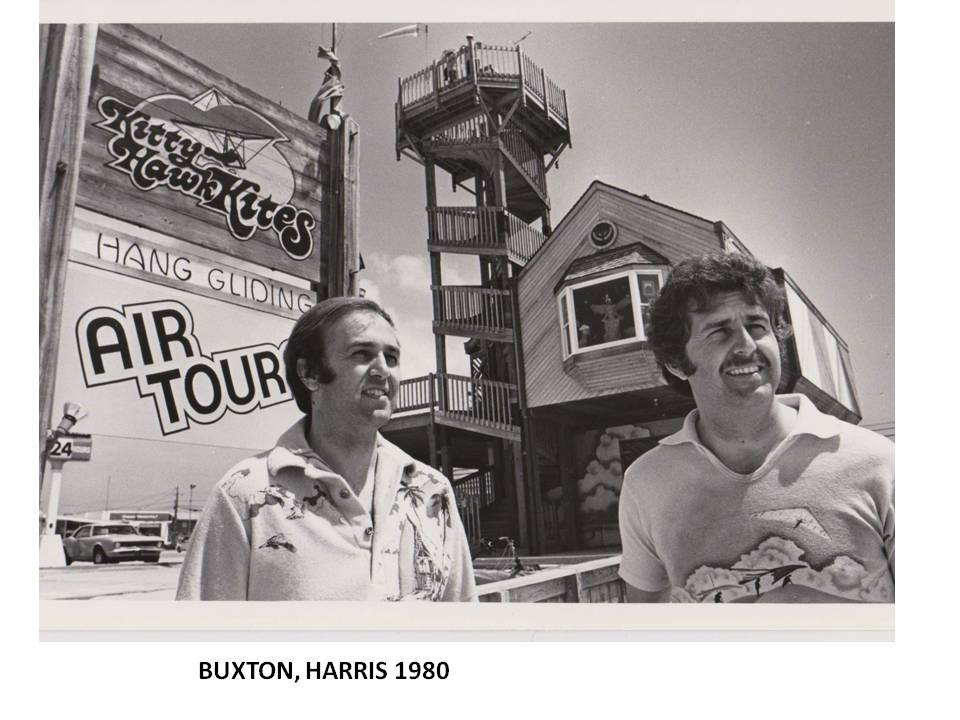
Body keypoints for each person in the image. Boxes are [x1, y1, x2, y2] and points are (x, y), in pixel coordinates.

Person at [618, 253, 894, 603]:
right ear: (676, 362)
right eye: (719, 331)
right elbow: (647, 628)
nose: (747, 345)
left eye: (758, 326)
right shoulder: (646, 483)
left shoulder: (877, 461)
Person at [176, 297, 476, 601]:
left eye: (392, 357)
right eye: (362, 353)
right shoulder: (243, 494)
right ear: (309, 374)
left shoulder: (432, 490)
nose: (383, 371)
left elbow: (465, 631)